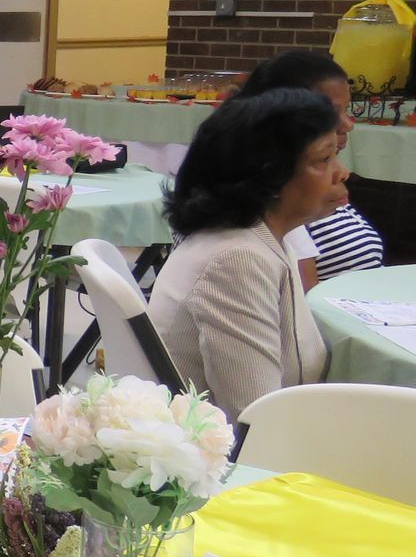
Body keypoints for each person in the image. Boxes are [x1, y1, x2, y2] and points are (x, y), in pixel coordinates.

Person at [148, 89, 344, 421]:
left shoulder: (263, 237)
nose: (341, 172)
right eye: (324, 159)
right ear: (270, 173)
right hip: (232, 464)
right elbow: (254, 419)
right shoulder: (236, 258)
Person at [233, 50, 384, 289]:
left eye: (348, 109)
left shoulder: (314, 184)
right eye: (332, 112)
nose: (348, 124)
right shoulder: (281, 201)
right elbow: (301, 306)